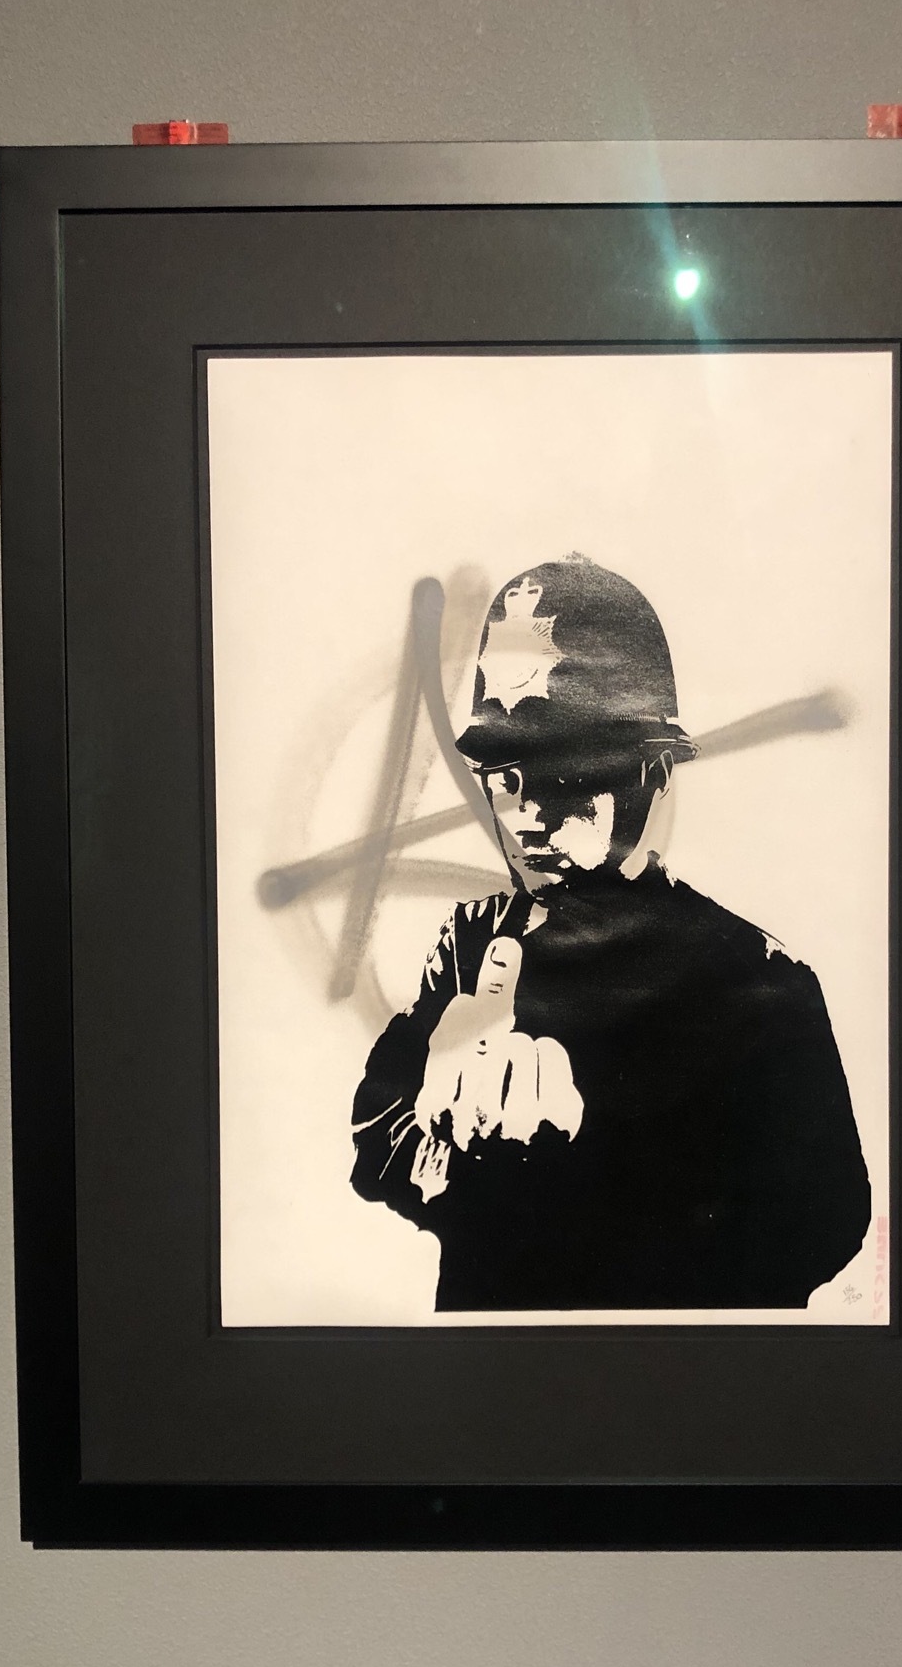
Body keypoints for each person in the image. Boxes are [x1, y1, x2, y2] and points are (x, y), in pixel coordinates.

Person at [350, 554, 871, 1311]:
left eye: (565, 770)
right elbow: (375, 1139)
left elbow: (826, 1226)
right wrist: (442, 1132)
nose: (525, 814)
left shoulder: (761, 981)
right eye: (502, 775)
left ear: (651, 772)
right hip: (490, 1371)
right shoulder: (472, 943)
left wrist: (590, 1175)